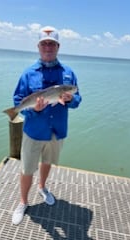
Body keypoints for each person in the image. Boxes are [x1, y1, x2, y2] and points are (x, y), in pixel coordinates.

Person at [12, 26, 82, 225]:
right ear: (38, 47)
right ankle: (23, 202)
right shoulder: (28, 74)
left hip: (57, 130)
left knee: (47, 162)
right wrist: (34, 109)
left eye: (52, 44)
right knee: (26, 169)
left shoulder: (69, 73)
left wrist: (69, 99)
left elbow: (78, 100)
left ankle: (42, 187)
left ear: (58, 47)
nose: (48, 47)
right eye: (44, 44)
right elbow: (18, 100)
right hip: (34, 131)